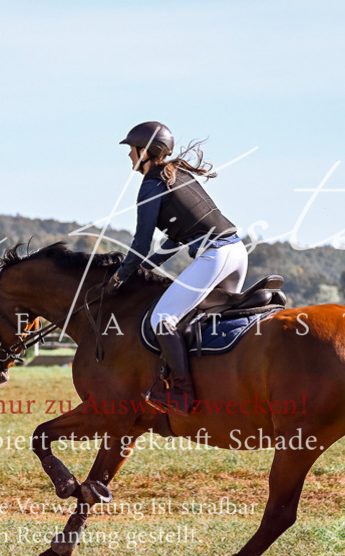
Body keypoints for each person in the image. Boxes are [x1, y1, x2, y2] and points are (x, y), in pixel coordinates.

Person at [105, 121, 248, 414]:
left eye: (131, 150)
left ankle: (182, 393)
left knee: (163, 318)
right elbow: (175, 237)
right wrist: (146, 266)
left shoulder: (152, 183)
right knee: (204, 321)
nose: (129, 156)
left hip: (216, 255)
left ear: (144, 151)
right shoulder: (176, 174)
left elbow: (142, 241)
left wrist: (122, 274)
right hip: (236, 252)